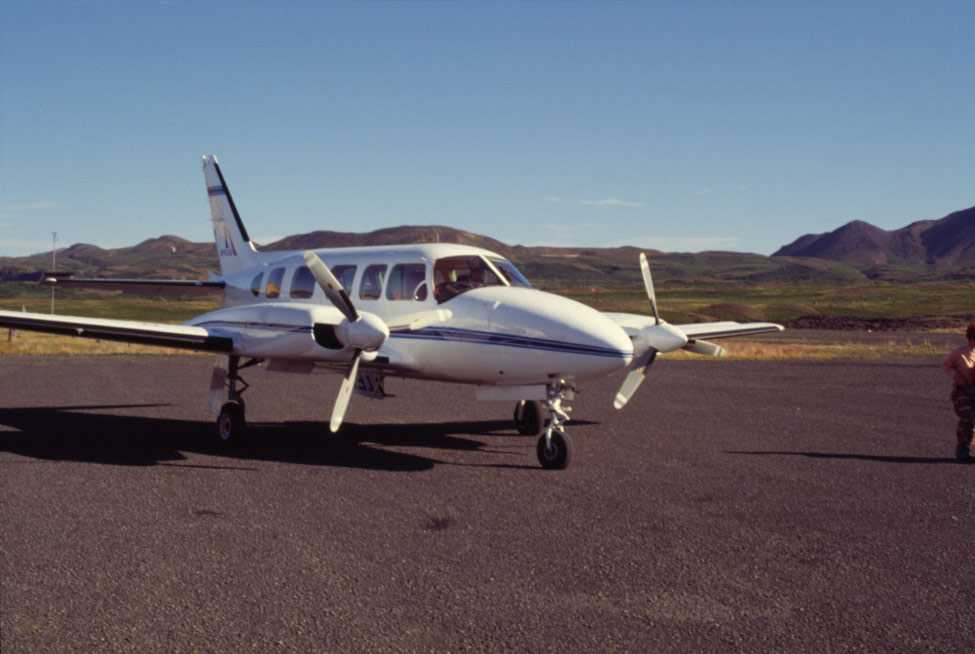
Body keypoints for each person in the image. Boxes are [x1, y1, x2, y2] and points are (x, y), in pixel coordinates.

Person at [943, 322, 975, 463]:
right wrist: (955, 376)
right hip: (963, 392)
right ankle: (963, 450)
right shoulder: (959, 353)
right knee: (968, 417)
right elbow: (946, 366)